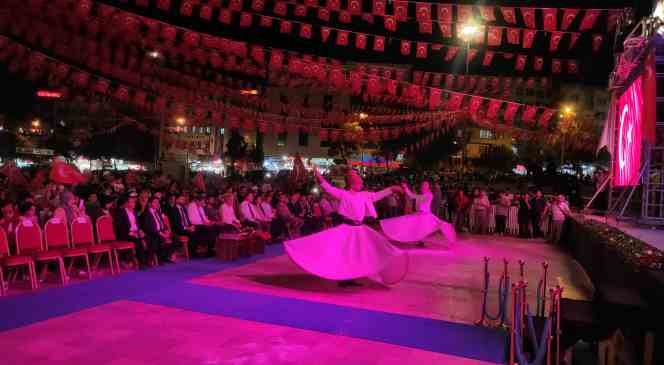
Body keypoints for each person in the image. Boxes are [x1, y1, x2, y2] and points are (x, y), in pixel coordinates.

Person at [284, 167, 408, 287]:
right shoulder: (344, 194)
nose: (362, 182)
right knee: (346, 253)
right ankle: (345, 278)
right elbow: (329, 188)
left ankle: (351, 276)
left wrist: (392, 189)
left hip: (359, 229)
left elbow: (378, 195)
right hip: (348, 229)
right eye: (359, 181)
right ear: (352, 184)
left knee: (364, 251)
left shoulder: (364, 195)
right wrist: (320, 178)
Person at [380, 181, 456, 247]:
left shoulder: (429, 195)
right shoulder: (424, 195)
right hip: (421, 214)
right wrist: (406, 188)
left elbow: (416, 197)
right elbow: (413, 196)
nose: (422, 187)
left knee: (439, 225)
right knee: (413, 225)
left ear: (427, 187)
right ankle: (419, 241)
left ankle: (450, 238)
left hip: (426, 215)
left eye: (424, 185)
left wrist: (407, 189)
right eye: (422, 185)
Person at [112, 193, 148, 268]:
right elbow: (119, 227)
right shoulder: (121, 212)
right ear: (127, 203)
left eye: (134, 202)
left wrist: (139, 230)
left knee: (148, 237)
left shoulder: (134, 212)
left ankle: (147, 259)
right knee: (137, 241)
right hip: (125, 234)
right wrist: (131, 232)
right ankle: (141, 262)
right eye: (131, 202)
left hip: (135, 233)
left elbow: (137, 224)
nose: (134, 204)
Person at [141, 196, 175, 264]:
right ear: (150, 204)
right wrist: (160, 233)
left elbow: (162, 224)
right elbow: (148, 228)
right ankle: (159, 258)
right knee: (159, 239)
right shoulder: (146, 214)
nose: (157, 204)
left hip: (161, 232)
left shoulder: (158, 212)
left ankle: (166, 256)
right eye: (155, 202)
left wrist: (166, 231)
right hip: (153, 233)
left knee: (175, 237)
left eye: (158, 202)